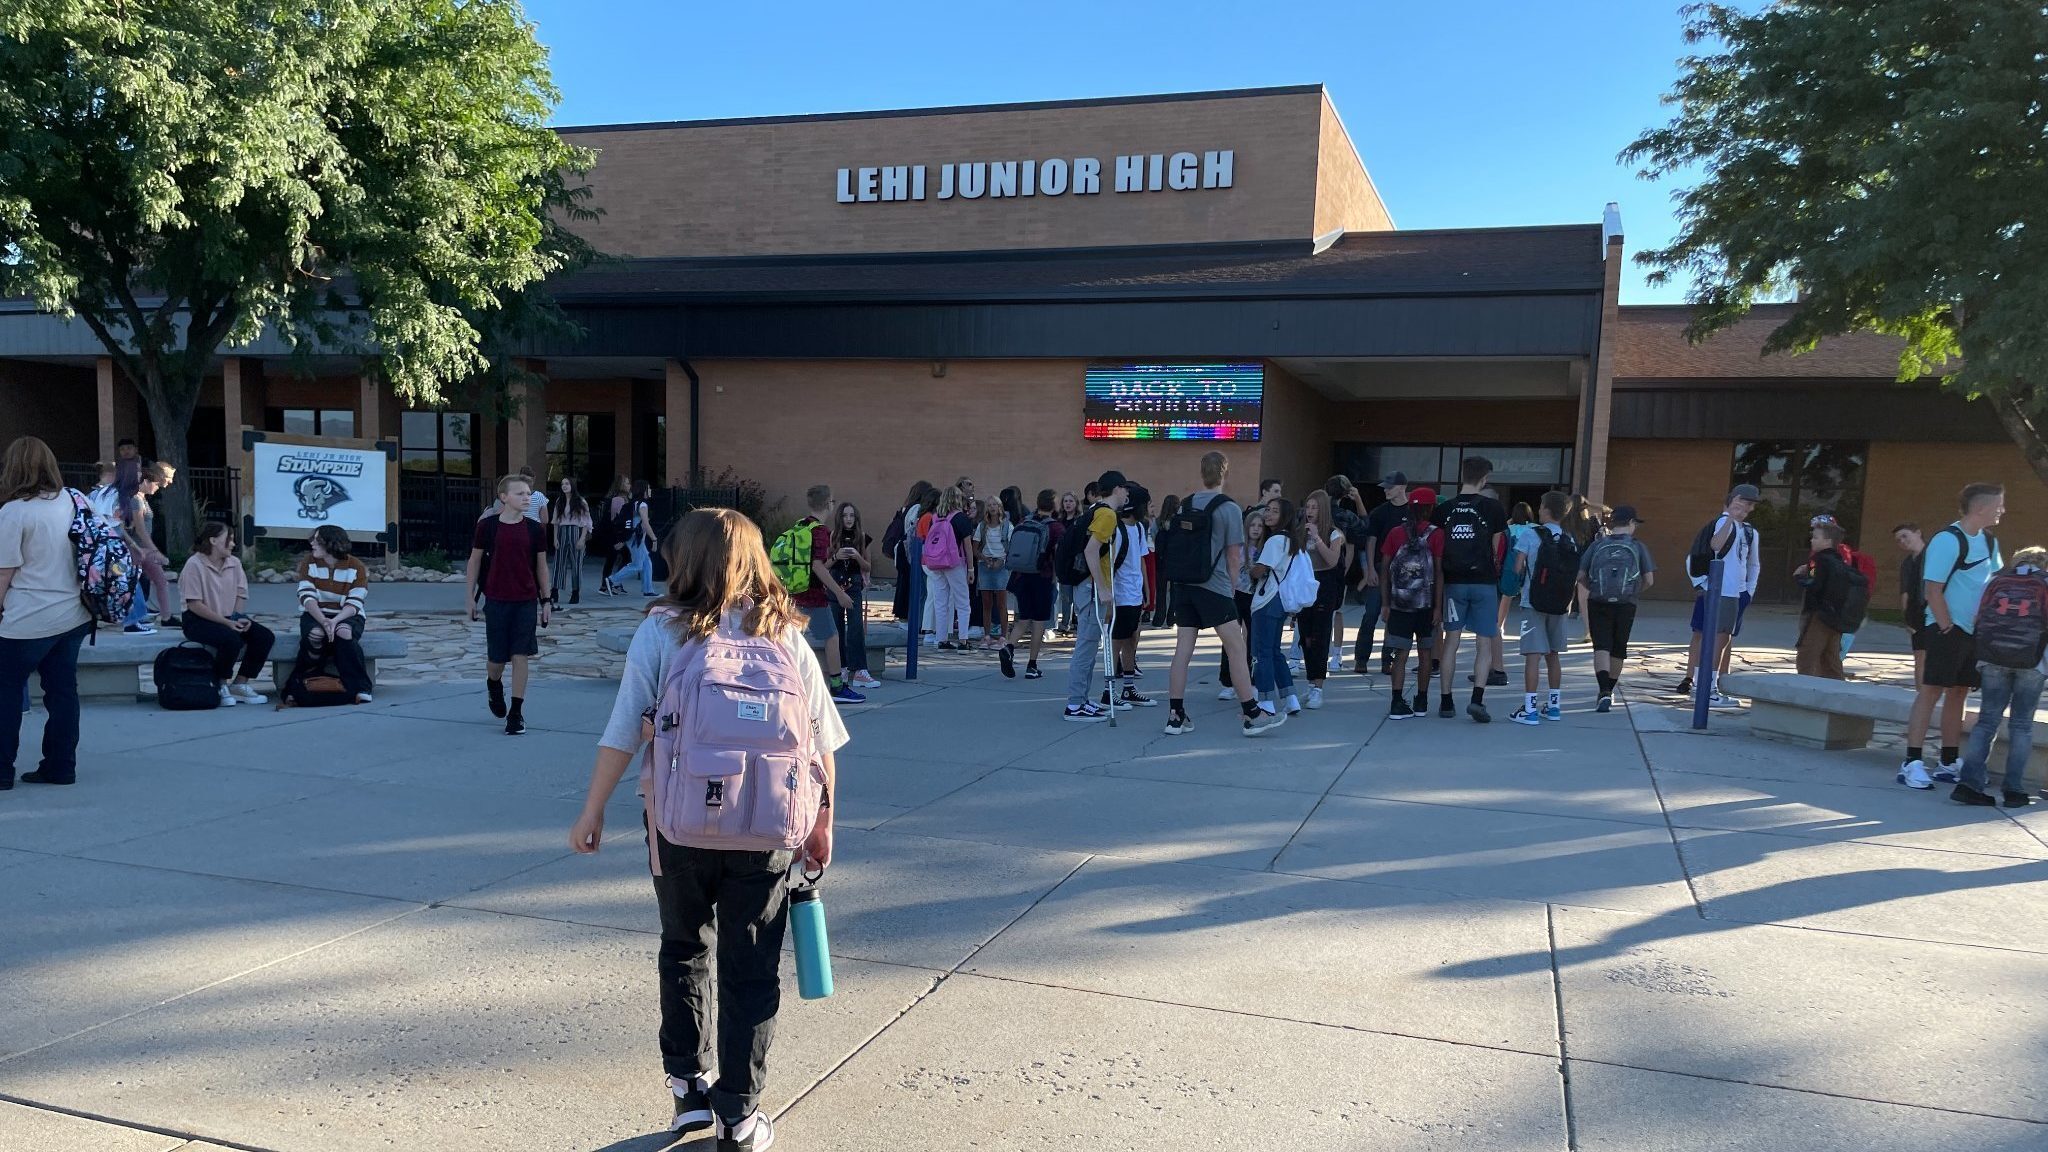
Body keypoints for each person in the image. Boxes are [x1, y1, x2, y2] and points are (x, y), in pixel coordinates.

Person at [568, 507, 844, 1152]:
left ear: (683, 559)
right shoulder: (785, 635)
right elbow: (821, 739)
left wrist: (592, 809)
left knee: (683, 948)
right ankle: (740, 1115)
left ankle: (689, 1093)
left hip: (678, 824)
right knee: (752, 966)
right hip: (768, 828)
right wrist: (823, 821)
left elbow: (621, 729)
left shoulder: (663, 630)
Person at [0, 436, 94, 788]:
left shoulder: (14, 512)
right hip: (74, 614)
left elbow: (4, 572)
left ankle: (1, 770)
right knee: (63, 692)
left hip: (27, 618)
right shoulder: (74, 500)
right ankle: (60, 766)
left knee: (5, 691)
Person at [1900, 483, 2005, 790]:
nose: (2003, 511)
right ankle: (1912, 762)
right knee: (1930, 691)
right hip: (1946, 629)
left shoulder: (1989, 540)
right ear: (1980, 508)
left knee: (1958, 693)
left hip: (1974, 632)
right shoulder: (1947, 539)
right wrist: (1947, 626)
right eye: (1999, 505)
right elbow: (1932, 588)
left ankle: (1947, 761)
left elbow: (1993, 581)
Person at [1951, 546, 2048, 808]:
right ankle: (2014, 790)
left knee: (1986, 722)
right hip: (2033, 663)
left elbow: (1976, 617)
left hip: (1992, 659)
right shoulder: (2045, 583)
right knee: (2022, 726)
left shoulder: (1996, 581)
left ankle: (1969, 784)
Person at [466, 475, 552, 734]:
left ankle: (516, 712)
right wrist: (470, 597)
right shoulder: (488, 527)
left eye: (528, 493)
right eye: (520, 493)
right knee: (497, 660)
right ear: (504, 497)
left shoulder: (535, 530)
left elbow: (541, 566)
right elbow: (474, 561)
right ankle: (494, 684)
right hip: (496, 600)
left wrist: (546, 600)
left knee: (520, 655)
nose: (526, 497)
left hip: (525, 601)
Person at [1433, 457, 1509, 723]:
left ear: (1461, 475)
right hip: (1484, 582)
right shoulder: (1493, 508)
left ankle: (1446, 701)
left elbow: (1438, 549)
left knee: (1451, 642)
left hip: (1454, 582)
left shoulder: (1445, 510)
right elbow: (1497, 549)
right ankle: (1477, 699)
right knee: (1484, 643)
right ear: (1484, 479)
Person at [1677, 484, 1763, 706]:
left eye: (1750, 503)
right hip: (1719, 589)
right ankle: (1707, 688)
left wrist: (1748, 591)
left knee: (1722, 638)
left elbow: (1753, 564)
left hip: (1736, 591)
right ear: (1732, 500)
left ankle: (1704, 685)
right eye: (1742, 501)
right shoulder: (1722, 522)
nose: (1745, 507)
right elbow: (1715, 546)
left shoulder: (1751, 532)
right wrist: (1729, 519)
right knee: (1713, 637)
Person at [178, 522, 275, 706]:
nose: (233, 544)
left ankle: (240, 684)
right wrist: (227, 623)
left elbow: (241, 594)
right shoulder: (194, 564)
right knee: (231, 639)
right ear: (213, 541)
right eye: (228, 539)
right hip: (198, 620)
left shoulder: (234, 563)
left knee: (264, 636)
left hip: (228, 617)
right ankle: (220, 683)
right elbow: (194, 604)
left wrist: (237, 619)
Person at [790, 485, 864, 704]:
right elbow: (818, 566)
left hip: (795, 592)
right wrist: (838, 593)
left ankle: (791, 682)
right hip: (813, 595)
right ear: (829, 504)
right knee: (832, 637)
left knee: (795, 639)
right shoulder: (819, 531)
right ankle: (837, 686)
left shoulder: (800, 525)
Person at [1064, 472, 1126, 723]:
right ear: (1117, 489)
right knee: (1086, 647)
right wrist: (1102, 588)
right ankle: (1075, 703)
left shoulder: (1096, 510)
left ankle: (1082, 699)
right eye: (1125, 489)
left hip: (1087, 587)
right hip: (1091, 589)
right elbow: (1091, 551)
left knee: (1088, 646)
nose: (1127, 495)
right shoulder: (1107, 514)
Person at [1579, 505, 1655, 711]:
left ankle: (1603, 690)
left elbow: (1581, 576)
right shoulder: (1638, 547)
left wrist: (1594, 588)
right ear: (1630, 523)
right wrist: (1633, 590)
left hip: (1598, 601)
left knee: (1601, 646)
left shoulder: (1597, 545)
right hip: (1626, 603)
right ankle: (1610, 691)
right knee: (1618, 648)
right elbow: (1649, 579)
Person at [1511, 492, 1575, 725]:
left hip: (1533, 602)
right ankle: (1554, 707)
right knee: (1553, 654)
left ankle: (1530, 709)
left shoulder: (1530, 534)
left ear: (1546, 509)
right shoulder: (1569, 538)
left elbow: (1518, 568)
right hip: (1559, 605)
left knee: (1532, 656)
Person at [1379, 487, 1442, 718]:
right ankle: (1422, 701)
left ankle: (1396, 702)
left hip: (1399, 604)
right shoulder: (1436, 534)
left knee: (1400, 655)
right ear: (1431, 508)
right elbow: (1438, 572)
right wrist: (1438, 607)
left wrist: (1385, 603)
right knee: (1425, 653)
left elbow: (1385, 568)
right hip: (1426, 607)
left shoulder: (1396, 533)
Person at [293, 525, 373, 704]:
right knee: (315, 634)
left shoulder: (356, 566)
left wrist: (335, 621)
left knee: (344, 632)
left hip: (347, 615)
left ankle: (360, 686)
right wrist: (323, 620)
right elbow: (306, 596)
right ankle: (302, 682)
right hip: (316, 613)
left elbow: (355, 602)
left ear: (330, 544)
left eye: (317, 540)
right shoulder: (309, 562)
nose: (312, 543)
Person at [1247, 496, 1305, 722]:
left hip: (1267, 600)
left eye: (1273, 511)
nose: (1268, 514)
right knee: (1273, 650)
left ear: (1285, 516)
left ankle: (1266, 702)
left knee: (1262, 652)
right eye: (1267, 510)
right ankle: (1290, 699)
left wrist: (1251, 568)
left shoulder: (1274, 541)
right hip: (1281, 601)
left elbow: (1260, 570)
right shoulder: (1292, 539)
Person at [1296, 489, 1348, 710]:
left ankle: (1319, 685)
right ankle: (1310, 682)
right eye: (1308, 507)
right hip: (1304, 585)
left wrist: (1317, 537)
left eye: (1315, 507)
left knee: (1320, 636)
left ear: (1323, 509)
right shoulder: (1299, 532)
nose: (1310, 511)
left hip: (1324, 585)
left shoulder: (1333, 533)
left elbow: (1332, 560)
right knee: (1305, 636)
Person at [1000, 489, 1059, 681]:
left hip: (1021, 576)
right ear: (1054, 504)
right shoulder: (1055, 528)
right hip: (1042, 577)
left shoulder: (1024, 522)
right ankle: (1032, 665)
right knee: (1039, 622)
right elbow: (1058, 555)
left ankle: (1008, 647)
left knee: (1023, 618)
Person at [1353, 471, 1408, 675]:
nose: (1386, 490)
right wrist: (1369, 570)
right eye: (1385, 487)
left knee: (1394, 618)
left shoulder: (1412, 511)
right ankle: (1361, 658)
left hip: (1404, 572)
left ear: (1402, 488)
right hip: (1380, 568)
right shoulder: (1379, 513)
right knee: (1371, 614)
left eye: (1390, 487)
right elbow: (1371, 541)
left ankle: (1388, 660)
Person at [115, 459, 178, 632]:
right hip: (137, 549)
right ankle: (132, 620)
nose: (158, 487)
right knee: (133, 584)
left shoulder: (142, 498)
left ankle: (164, 617)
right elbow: (140, 530)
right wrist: (156, 552)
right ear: (147, 482)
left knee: (159, 580)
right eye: (156, 484)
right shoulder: (135, 500)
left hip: (143, 548)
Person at [1106, 487, 1153, 709]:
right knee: (1116, 641)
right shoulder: (1117, 528)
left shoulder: (1140, 529)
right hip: (1120, 594)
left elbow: (1142, 560)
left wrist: (1147, 589)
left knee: (1132, 640)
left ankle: (1128, 688)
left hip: (1134, 593)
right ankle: (1109, 691)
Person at [1794, 517, 1858, 681]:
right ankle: (1836, 689)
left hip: (1818, 615)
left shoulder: (1815, 561)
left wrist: (1800, 576)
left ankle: (1803, 690)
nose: (1812, 540)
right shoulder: (1840, 561)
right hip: (1836, 616)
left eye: (1815, 537)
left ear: (1828, 540)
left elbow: (1812, 582)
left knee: (1806, 656)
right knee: (1831, 658)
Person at [829, 501, 881, 690]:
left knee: (856, 627)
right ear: (840, 518)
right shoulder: (833, 536)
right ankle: (841, 668)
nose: (848, 519)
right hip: (835, 584)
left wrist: (857, 556)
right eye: (845, 516)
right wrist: (837, 556)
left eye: (851, 515)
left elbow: (868, 567)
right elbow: (823, 564)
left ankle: (860, 670)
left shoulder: (862, 537)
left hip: (853, 585)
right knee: (837, 628)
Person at [919, 486, 973, 650]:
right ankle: (963, 640)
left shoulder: (935, 518)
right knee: (962, 603)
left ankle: (941, 639)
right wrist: (971, 569)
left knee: (940, 602)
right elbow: (967, 545)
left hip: (936, 564)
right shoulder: (960, 518)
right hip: (954, 563)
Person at [1495, 502, 1536, 681]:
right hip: (1528, 573)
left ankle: (1500, 627)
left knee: (1504, 603)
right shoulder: (1535, 529)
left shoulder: (1508, 529)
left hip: (1508, 572)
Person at [888, 480, 935, 623]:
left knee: (906, 584)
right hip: (912, 551)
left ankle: (906, 617)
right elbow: (913, 531)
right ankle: (911, 619)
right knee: (914, 587)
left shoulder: (907, 507)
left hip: (905, 550)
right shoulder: (917, 509)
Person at [973, 499, 1013, 651]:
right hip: (985, 565)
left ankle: (1004, 635)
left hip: (1001, 565)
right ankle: (987, 635)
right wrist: (984, 559)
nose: (992, 507)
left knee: (1002, 603)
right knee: (987, 603)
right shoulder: (982, 526)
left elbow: (1011, 547)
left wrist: (1001, 561)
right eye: (989, 505)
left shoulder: (1007, 526)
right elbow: (975, 548)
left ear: (1000, 507)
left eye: (995, 504)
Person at [1894, 523, 1929, 685]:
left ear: (1918, 533)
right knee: (1920, 655)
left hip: (1935, 609)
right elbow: (1905, 592)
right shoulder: (1907, 563)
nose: (1902, 541)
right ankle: (1920, 694)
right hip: (1916, 613)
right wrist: (1907, 618)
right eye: (1898, 539)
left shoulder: (1933, 555)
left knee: (1936, 656)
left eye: (1905, 536)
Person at [608, 482, 657, 597]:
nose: (650, 490)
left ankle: (648, 590)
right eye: (648, 488)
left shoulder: (634, 503)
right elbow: (645, 523)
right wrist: (654, 539)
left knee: (647, 563)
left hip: (633, 537)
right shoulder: (643, 505)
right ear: (643, 490)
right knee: (637, 565)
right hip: (637, 538)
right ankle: (612, 580)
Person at [552, 478, 592, 606]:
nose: (564, 486)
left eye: (567, 483)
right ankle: (555, 591)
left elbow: (587, 521)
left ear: (572, 485)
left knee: (576, 564)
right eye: (562, 484)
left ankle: (575, 592)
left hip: (576, 531)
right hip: (562, 531)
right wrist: (555, 538)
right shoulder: (560, 501)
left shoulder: (580, 501)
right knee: (559, 562)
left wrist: (582, 539)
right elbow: (555, 521)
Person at [1149, 493, 1181, 629]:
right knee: (1174, 591)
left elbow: (1153, 537)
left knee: (1161, 591)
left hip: (1160, 560)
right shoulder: (1179, 522)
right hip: (1176, 561)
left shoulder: (1158, 522)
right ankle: (1171, 619)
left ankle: (1158, 619)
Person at [597, 475, 633, 595]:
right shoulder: (618, 500)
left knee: (622, 557)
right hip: (614, 534)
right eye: (627, 483)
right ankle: (606, 584)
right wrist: (619, 539)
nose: (629, 485)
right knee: (614, 558)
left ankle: (614, 583)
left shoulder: (624, 498)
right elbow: (617, 520)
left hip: (617, 534)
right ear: (621, 485)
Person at [1053, 490, 1082, 635]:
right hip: (1062, 562)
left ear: (1076, 504)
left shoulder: (1079, 521)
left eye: (1071, 501)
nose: (1068, 504)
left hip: (1076, 562)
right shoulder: (1059, 522)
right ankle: (1064, 623)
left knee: (1077, 596)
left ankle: (1077, 620)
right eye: (1065, 501)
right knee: (1065, 596)